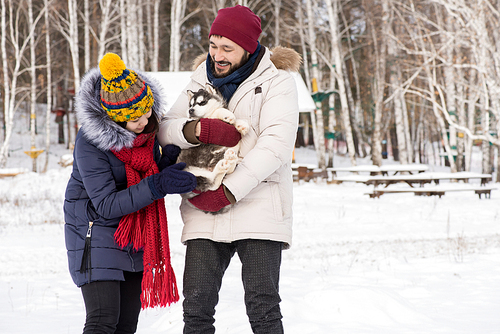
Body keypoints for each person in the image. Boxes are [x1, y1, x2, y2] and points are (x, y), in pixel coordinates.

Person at [157, 5, 301, 333]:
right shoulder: (199, 79)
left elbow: (275, 146)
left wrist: (229, 190)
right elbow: (165, 129)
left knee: (263, 306)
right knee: (196, 308)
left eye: (227, 48)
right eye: (213, 45)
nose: (217, 55)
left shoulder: (278, 83)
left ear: (248, 48)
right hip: (203, 208)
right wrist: (196, 131)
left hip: (259, 205)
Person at [64, 52, 197, 334]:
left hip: (134, 237)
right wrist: (157, 184)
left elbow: (139, 176)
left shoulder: (146, 134)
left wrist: (160, 168)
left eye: (147, 110)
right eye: (134, 117)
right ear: (113, 119)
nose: (144, 120)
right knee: (103, 320)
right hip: (96, 233)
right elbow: (107, 204)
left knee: (126, 326)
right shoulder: (90, 142)